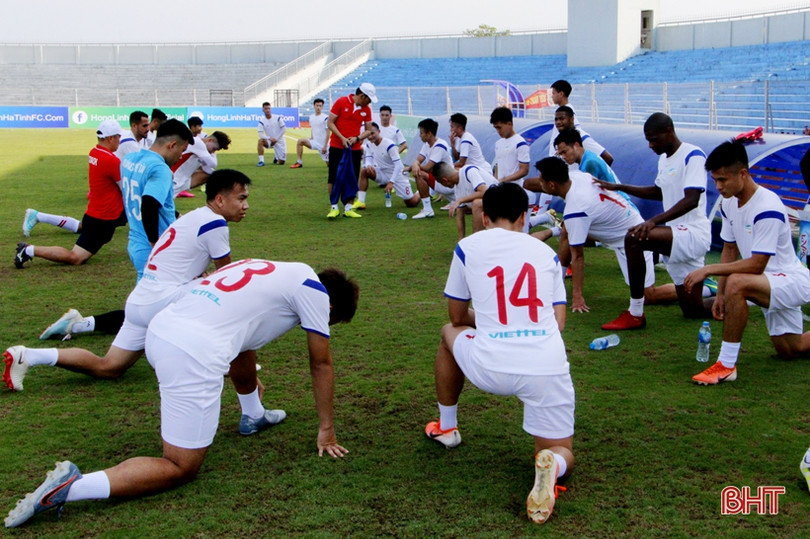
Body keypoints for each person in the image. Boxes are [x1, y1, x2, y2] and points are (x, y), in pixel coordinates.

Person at [3, 261, 358, 529]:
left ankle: (254, 416)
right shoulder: (315, 293)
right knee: (180, 466)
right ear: (331, 309)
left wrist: (251, 400)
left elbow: (243, 342)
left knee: (236, 350)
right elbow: (320, 363)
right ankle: (71, 488)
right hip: (190, 353)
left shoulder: (278, 269)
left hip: (163, 330)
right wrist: (326, 428)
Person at [3, 169, 251, 392]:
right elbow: (225, 279)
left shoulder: (194, 217)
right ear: (220, 199)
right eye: (241, 198)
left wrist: (199, 279)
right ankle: (228, 364)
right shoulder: (215, 223)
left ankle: (29, 356)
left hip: (141, 300)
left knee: (108, 367)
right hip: (163, 299)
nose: (246, 205)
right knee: (221, 297)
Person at [425, 182, 574, 525]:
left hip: (490, 365)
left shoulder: (467, 247)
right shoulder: (546, 254)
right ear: (525, 217)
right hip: (546, 365)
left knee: (448, 334)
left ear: (486, 217)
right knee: (560, 448)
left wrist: (489, 320)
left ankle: (447, 428)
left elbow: (457, 318)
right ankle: (554, 465)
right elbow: (559, 322)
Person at [683, 141, 810, 385]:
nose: (718, 187)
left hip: (791, 281)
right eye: (715, 180)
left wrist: (708, 269)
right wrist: (719, 294)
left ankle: (726, 365)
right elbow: (729, 250)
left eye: (723, 180)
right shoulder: (729, 203)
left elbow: (756, 265)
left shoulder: (768, 207)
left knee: (738, 283)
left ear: (743, 174)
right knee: (791, 350)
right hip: (766, 283)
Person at [599, 113, 711, 330]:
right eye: (648, 140)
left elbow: (691, 199)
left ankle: (636, 313)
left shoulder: (693, 155)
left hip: (693, 233)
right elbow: (659, 191)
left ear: (669, 130)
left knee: (634, 238)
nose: (650, 145)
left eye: (654, 139)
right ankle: (734, 297)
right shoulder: (663, 159)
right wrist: (621, 188)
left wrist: (652, 222)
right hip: (676, 235)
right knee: (693, 311)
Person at [533, 157, 668, 313]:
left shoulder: (576, 209)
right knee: (567, 228)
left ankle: (698, 290)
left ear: (551, 184)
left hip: (632, 238)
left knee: (649, 296)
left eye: (541, 181)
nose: (539, 183)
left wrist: (577, 296)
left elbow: (578, 256)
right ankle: (558, 281)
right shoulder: (578, 176)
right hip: (622, 223)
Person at [14, 120, 128, 269]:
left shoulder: (95, 152)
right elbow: (125, 189)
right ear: (110, 138)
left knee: (83, 229)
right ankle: (28, 250)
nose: (120, 140)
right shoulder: (111, 160)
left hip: (97, 213)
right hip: (103, 218)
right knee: (76, 257)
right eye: (118, 137)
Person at [121, 119, 194, 280]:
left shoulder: (129, 160)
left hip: (135, 240)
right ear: (172, 145)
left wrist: (174, 214)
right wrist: (155, 243)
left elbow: (141, 196)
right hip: (153, 247)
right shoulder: (160, 168)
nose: (180, 157)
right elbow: (148, 204)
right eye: (181, 151)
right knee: (152, 299)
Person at [326, 83, 376, 219]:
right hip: (337, 146)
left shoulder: (367, 109)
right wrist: (342, 138)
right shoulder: (342, 102)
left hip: (354, 149)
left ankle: (348, 207)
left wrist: (357, 138)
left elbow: (369, 130)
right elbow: (330, 122)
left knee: (352, 177)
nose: (369, 102)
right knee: (334, 177)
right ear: (362, 96)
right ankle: (334, 207)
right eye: (368, 99)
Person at [355, 123, 417, 209]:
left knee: (411, 203)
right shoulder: (369, 144)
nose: (370, 137)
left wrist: (391, 182)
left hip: (397, 174)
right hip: (382, 172)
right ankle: (361, 202)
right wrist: (368, 165)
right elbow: (368, 157)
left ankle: (420, 192)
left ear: (379, 132)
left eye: (372, 133)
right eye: (368, 134)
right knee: (364, 170)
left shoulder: (389, 145)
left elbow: (398, 166)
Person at [432, 161, 497, 240]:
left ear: (445, 180)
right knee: (462, 209)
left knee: (477, 203)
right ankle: (470, 243)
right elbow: (460, 215)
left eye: (440, 183)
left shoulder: (468, 171)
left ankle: (476, 241)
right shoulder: (457, 188)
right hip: (492, 205)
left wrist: (460, 200)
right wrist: (461, 241)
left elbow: (484, 192)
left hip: (504, 201)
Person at [408, 118, 456, 219]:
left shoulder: (440, 145)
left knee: (419, 174)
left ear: (429, 133)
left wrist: (415, 166)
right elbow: (418, 160)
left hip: (447, 183)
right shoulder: (427, 144)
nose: (420, 135)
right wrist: (415, 164)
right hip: (440, 182)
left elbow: (428, 167)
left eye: (421, 133)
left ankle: (428, 210)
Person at [171, 131, 231, 197]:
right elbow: (213, 164)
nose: (212, 152)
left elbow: (208, 170)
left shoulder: (202, 151)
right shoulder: (198, 143)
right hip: (173, 180)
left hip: (181, 181)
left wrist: (223, 177)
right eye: (214, 149)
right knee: (163, 204)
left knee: (210, 175)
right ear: (210, 140)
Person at [290, 98, 329, 168]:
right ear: (314, 106)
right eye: (317, 106)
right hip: (314, 142)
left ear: (322, 107)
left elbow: (328, 132)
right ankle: (299, 162)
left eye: (320, 106)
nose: (318, 108)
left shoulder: (325, 118)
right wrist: (311, 137)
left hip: (323, 144)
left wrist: (325, 146)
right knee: (300, 141)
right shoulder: (311, 117)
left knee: (330, 165)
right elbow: (313, 128)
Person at [257, 102, 287, 166]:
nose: (267, 110)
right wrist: (269, 138)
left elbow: (284, 129)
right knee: (260, 141)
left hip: (279, 140)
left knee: (281, 162)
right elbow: (261, 135)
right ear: (263, 110)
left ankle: (276, 157)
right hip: (269, 140)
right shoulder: (262, 121)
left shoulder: (277, 118)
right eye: (266, 109)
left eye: (269, 108)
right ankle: (261, 161)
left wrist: (276, 138)